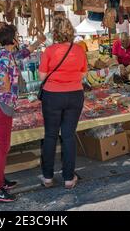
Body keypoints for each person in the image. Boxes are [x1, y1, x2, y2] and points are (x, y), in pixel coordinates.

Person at [0, 25, 45, 203]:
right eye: (16, 36)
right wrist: (5, 83)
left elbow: (24, 53)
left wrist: (39, 41)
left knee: (4, 147)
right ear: (11, 39)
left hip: (5, 104)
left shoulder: (9, 54)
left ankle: (1, 180)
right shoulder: (3, 57)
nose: (18, 38)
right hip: (3, 104)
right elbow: (2, 79)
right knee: (3, 147)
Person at [38, 15, 87, 189]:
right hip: (75, 95)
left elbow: (42, 76)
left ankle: (48, 177)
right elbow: (82, 74)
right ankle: (68, 178)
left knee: (50, 135)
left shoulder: (49, 51)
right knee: (68, 135)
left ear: (55, 33)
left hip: (52, 96)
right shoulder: (80, 50)